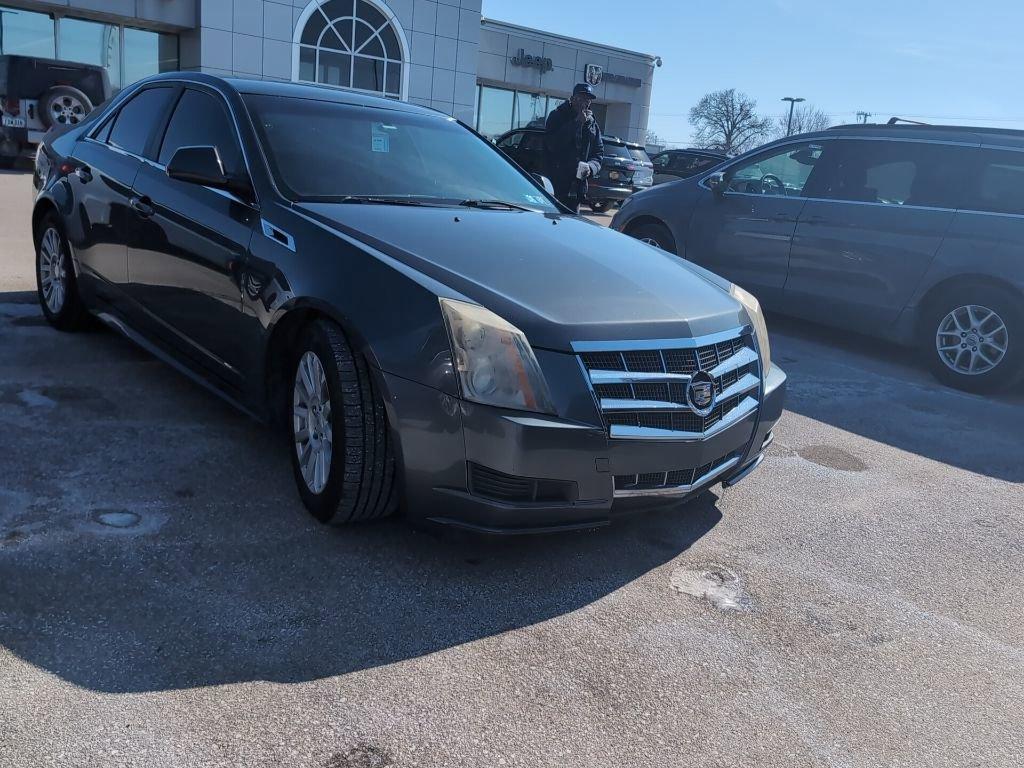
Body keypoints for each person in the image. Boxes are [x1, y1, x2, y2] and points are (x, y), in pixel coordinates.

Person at [543, 83, 604, 213]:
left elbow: (598, 153)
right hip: (556, 185)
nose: (583, 103)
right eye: (580, 98)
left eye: (587, 100)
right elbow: (552, 145)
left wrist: (591, 167)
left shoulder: (592, 124)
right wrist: (576, 123)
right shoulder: (557, 116)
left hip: (576, 187)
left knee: (572, 225)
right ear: (572, 99)